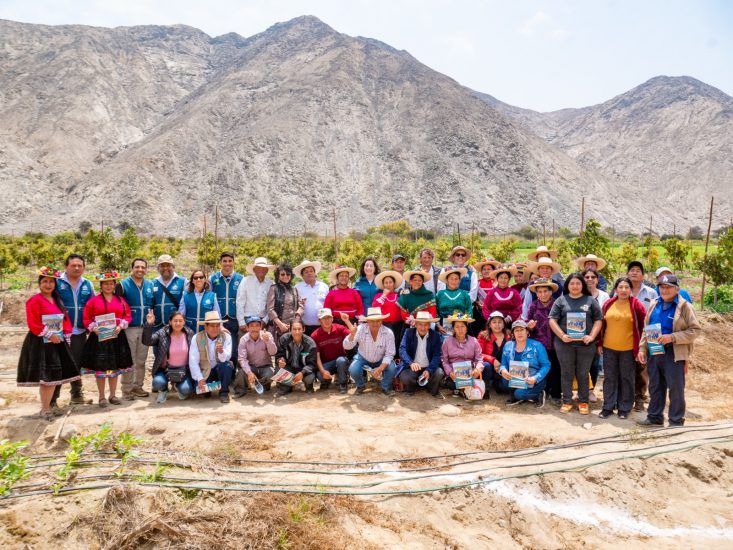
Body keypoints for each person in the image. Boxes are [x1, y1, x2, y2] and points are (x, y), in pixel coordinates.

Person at [17, 267, 81, 420]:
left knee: (53, 376)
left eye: (51, 282)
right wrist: (49, 334)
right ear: (39, 283)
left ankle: (48, 407)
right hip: (41, 342)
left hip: (57, 342)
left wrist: (67, 335)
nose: (48, 285)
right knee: (46, 377)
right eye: (45, 281)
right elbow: (33, 323)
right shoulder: (34, 301)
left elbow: (65, 320)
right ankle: (44, 409)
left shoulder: (58, 300)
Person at [638, 275, 701, 427]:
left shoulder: (684, 306)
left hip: (674, 352)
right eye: (662, 287)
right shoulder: (654, 303)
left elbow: (695, 330)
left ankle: (676, 420)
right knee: (655, 386)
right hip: (655, 350)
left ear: (677, 289)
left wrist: (672, 337)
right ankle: (655, 417)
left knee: (675, 387)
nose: (664, 290)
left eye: (668, 287)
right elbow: (646, 329)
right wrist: (642, 348)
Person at [549, 273, 603, 415]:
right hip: (564, 344)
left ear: (582, 285)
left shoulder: (590, 300)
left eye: (578, 283)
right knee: (566, 372)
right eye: (572, 283)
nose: (575, 286)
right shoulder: (560, 301)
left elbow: (598, 320)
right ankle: (567, 401)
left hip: (586, 344)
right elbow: (552, 320)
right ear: (567, 285)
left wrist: (591, 336)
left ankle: (583, 401)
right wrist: (562, 335)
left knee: (583, 373)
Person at [80, 271, 133, 408]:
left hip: (116, 337)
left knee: (114, 367)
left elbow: (127, 316)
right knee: (101, 367)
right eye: (105, 284)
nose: (109, 286)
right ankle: (102, 396)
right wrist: (93, 328)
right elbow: (86, 317)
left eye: (111, 283)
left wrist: (121, 326)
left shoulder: (121, 301)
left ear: (115, 285)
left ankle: (113, 395)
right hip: (99, 338)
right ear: (101, 285)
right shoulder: (93, 301)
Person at [598, 277, 646, 419]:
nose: (623, 290)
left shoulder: (637, 305)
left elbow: (643, 327)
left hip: (628, 349)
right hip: (609, 348)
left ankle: (624, 407)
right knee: (610, 378)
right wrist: (600, 343)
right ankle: (608, 406)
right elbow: (602, 325)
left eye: (626, 287)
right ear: (616, 289)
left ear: (631, 289)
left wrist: (641, 349)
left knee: (627, 378)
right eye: (620, 287)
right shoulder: (608, 304)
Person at [52, 253, 94, 407]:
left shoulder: (87, 284)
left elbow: (92, 306)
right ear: (66, 267)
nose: (77, 268)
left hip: (80, 332)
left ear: (83, 268)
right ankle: (52, 399)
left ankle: (76, 395)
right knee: (58, 364)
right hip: (60, 332)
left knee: (77, 363)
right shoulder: (57, 282)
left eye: (80, 266)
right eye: (73, 265)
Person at [117, 258, 154, 400]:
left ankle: (138, 386)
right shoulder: (123, 285)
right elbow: (116, 303)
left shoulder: (150, 285)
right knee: (129, 359)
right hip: (129, 328)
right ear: (132, 268)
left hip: (145, 327)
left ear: (146, 269)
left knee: (141, 360)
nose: (140, 270)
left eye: (143, 267)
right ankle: (126, 390)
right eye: (137, 267)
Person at [142, 310, 195, 403]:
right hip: (165, 369)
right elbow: (147, 341)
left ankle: (178, 386)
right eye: (175, 321)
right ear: (170, 322)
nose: (178, 323)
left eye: (180, 321)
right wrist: (149, 324)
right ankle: (163, 390)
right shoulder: (162, 333)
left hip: (184, 370)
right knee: (158, 383)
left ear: (184, 322)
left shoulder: (189, 333)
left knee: (186, 390)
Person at [343, 308, 397, 396]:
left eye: (378, 320)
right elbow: (347, 346)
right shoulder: (360, 329)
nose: (375, 323)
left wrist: (380, 369)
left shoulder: (388, 333)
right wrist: (352, 334)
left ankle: (386, 387)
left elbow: (389, 354)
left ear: (382, 321)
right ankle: (360, 386)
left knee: (391, 367)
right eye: (372, 321)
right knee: (353, 369)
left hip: (381, 359)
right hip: (363, 357)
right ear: (367, 321)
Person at [627, 260, 658, 411]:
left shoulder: (651, 293)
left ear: (643, 275)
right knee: (626, 367)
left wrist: (652, 340)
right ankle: (625, 397)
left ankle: (639, 398)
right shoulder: (622, 289)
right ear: (627, 274)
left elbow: (654, 315)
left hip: (645, 334)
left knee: (642, 367)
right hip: (625, 334)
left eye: (637, 270)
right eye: (631, 270)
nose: (634, 272)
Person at [498, 320, 551, 407]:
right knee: (503, 382)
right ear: (513, 334)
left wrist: (535, 378)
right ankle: (517, 394)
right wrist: (503, 371)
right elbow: (503, 363)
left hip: (534, 381)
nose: (519, 333)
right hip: (516, 379)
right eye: (516, 330)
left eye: (522, 330)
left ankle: (539, 394)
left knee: (519, 394)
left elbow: (546, 365)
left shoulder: (537, 345)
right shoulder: (508, 345)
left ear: (527, 331)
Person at [526, 277, 562, 402]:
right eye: (540, 292)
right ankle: (542, 392)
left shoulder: (558, 304)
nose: (543, 294)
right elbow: (527, 324)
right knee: (541, 369)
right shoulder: (533, 306)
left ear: (551, 292)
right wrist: (529, 327)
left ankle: (556, 393)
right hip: (539, 345)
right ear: (536, 293)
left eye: (545, 291)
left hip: (557, 343)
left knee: (556, 368)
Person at [189, 311, 233, 403]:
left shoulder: (226, 337)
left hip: (219, 370)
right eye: (212, 326)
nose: (215, 329)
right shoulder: (197, 338)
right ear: (206, 327)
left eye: (217, 326)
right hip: (204, 372)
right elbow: (193, 361)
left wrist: (221, 352)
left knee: (227, 365)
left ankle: (224, 392)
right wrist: (200, 379)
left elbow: (226, 358)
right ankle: (208, 389)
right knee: (200, 390)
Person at [398, 311, 444, 398]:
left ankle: (432, 389)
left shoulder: (436, 336)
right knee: (404, 376)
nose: (423, 328)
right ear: (415, 324)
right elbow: (402, 350)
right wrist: (411, 363)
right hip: (413, 368)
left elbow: (437, 355)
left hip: (429, 367)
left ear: (429, 325)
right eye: (420, 324)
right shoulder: (408, 333)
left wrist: (429, 370)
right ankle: (411, 389)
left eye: (426, 324)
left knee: (439, 373)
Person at [583, 267, 610, 402]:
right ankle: (580, 390)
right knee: (580, 366)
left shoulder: (604, 296)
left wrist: (601, 340)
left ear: (597, 280)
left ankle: (590, 391)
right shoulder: (579, 294)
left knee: (594, 365)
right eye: (587, 277)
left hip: (597, 337)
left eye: (593, 277)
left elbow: (607, 318)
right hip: (579, 336)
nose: (590, 280)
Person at [440, 313, 483, 396]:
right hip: (455, 375)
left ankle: (482, 390)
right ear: (453, 329)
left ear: (466, 328)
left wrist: (477, 369)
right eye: (457, 327)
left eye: (462, 326)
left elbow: (479, 359)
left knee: (487, 367)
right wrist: (450, 372)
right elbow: (444, 360)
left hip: (471, 374)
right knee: (449, 383)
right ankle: (463, 389)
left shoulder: (473, 341)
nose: (460, 329)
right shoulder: (447, 342)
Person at [210, 252, 244, 355]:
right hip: (218, 319)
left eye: (230, 261)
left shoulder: (241, 278)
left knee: (233, 348)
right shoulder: (213, 278)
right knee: (217, 345)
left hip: (234, 318)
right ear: (220, 262)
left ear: (233, 263)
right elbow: (210, 298)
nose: (227, 264)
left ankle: (231, 369)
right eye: (224, 261)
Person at [310, 308, 351, 394]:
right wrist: (323, 371)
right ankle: (326, 381)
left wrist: (347, 321)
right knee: (320, 375)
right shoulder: (315, 335)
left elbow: (353, 334)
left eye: (328, 317)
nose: (327, 320)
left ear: (332, 318)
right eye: (324, 318)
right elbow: (317, 356)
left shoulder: (339, 328)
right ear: (319, 320)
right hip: (327, 364)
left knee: (341, 361)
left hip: (341, 361)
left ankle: (343, 383)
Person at [275, 319, 318, 397]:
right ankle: (286, 388)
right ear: (290, 330)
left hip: (302, 369)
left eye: (299, 329)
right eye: (294, 329)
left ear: (304, 329)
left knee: (310, 378)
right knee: (278, 370)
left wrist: (302, 372)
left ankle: (309, 388)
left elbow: (312, 364)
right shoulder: (284, 339)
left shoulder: (310, 343)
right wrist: (280, 361)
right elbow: (278, 355)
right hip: (289, 367)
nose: (297, 332)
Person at [237, 315, 277, 395]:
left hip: (265, 367)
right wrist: (249, 373)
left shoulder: (267, 335)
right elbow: (242, 359)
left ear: (261, 327)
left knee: (272, 373)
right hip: (251, 367)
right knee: (241, 372)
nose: (254, 329)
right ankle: (240, 391)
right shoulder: (243, 339)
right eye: (251, 326)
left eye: (257, 326)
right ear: (247, 328)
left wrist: (268, 341)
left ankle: (260, 383)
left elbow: (273, 352)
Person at [477, 310, 512, 397]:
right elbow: (478, 354)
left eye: (500, 322)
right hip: (490, 368)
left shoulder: (509, 335)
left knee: (505, 389)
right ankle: (485, 389)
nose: (497, 325)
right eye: (494, 322)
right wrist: (493, 360)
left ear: (504, 324)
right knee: (486, 365)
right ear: (489, 324)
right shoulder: (483, 335)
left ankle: (497, 383)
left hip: (504, 369)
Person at [236, 256, 275, 333]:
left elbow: (272, 305)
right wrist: (241, 322)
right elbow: (240, 302)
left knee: (263, 344)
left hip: (263, 320)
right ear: (254, 269)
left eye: (264, 268)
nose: (261, 270)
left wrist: (265, 320)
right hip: (247, 320)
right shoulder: (246, 281)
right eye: (259, 268)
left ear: (267, 270)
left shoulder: (271, 284)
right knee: (245, 344)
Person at [267, 262, 303, 339]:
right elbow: (270, 309)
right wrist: (280, 324)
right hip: (278, 327)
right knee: (279, 349)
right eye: (282, 274)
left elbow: (301, 306)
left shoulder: (294, 289)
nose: (285, 276)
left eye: (288, 274)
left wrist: (296, 321)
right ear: (278, 276)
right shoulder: (273, 288)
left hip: (293, 327)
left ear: (291, 276)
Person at [151, 254, 187, 329]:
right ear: (158, 268)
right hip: (157, 325)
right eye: (162, 266)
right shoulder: (153, 283)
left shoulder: (183, 281)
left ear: (173, 267)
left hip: (175, 326)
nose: (165, 268)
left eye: (168, 265)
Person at [294, 260, 328, 336]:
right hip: (304, 327)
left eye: (311, 271)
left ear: (315, 273)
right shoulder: (297, 287)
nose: (309, 273)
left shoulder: (324, 286)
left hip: (322, 326)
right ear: (302, 275)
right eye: (306, 272)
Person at [435, 267, 472, 335]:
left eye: (456, 279)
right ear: (447, 280)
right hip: (442, 328)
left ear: (459, 280)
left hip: (461, 328)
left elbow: (469, 310)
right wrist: (438, 326)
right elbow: (435, 310)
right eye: (451, 279)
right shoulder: (440, 294)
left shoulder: (464, 294)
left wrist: (463, 325)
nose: (454, 281)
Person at [372, 270, 404, 346]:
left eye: (390, 282)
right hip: (383, 325)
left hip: (398, 325)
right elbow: (375, 307)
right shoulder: (379, 296)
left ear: (394, 284)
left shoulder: (398, 295)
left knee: (396, 344)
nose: (388, 284)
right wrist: (384, 295)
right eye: (386, 283)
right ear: (383, 285)